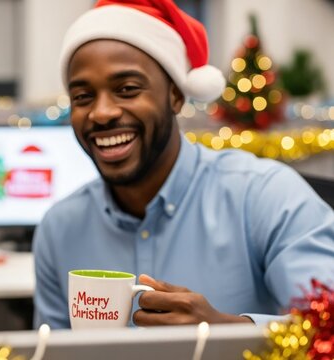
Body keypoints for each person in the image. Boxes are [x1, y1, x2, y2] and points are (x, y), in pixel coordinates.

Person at [33, 0, 334, 329]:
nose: (101, 113)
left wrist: (224, 332)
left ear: (176, 95)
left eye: (127, 89)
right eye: (82, 97)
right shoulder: (59, 230)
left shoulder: (266, 195)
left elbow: (327, 327)